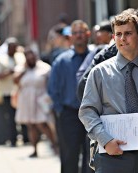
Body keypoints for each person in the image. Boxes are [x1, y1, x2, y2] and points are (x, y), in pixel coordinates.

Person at [79, 10, 138, 173]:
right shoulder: (99, 73)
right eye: (118, 34)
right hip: (112, 153)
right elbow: (87, 112)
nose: (122, 39)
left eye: (128, 33)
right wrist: (105, 140)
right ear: (113, 38)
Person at [48, 20, 91, 173]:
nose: (79, 36)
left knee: (91, 156)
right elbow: (53, 89)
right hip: (69, 115)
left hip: (92, 115)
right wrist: (60, 110)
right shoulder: (61, 61)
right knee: (69, 155)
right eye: (75, 33)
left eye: (82, 32)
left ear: (88, 35)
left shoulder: (95, 57)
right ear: (70, 37)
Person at [14, 48, 57, 157]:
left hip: (41, 99)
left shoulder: (45, 68)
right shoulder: (21, 68)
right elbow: (15, 81)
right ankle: (34, 149)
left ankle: (54, 145)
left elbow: (51, 83)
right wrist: (24, 70)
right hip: (27, 100)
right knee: (31, 125)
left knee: (42, 123)